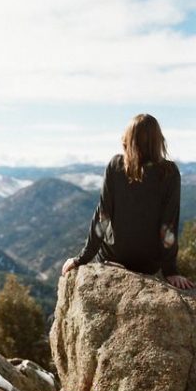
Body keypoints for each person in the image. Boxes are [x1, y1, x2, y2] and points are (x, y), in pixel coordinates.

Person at [62, 114, 194, 290]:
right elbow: (167, 227)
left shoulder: (116, 165)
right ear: (158, 140)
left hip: (114, 257)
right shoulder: (169, 172)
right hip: (147, 263)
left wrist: (82, 258)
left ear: (129, 139)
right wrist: (170, 270)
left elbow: (103, 217)